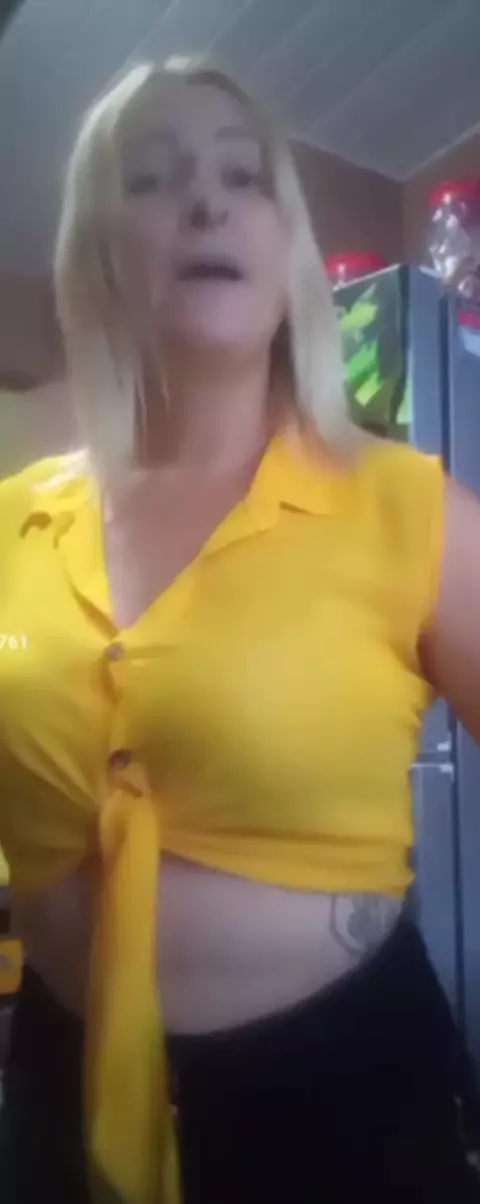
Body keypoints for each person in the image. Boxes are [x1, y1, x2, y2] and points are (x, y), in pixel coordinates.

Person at [0, 58, 480, 1204]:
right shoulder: (12, 520)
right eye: (154, 179)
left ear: (288, 250)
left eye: (243, 177)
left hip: (348, 1104)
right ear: (97, 254)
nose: (208, 202)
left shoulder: (410, 507)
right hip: (58, 1088)